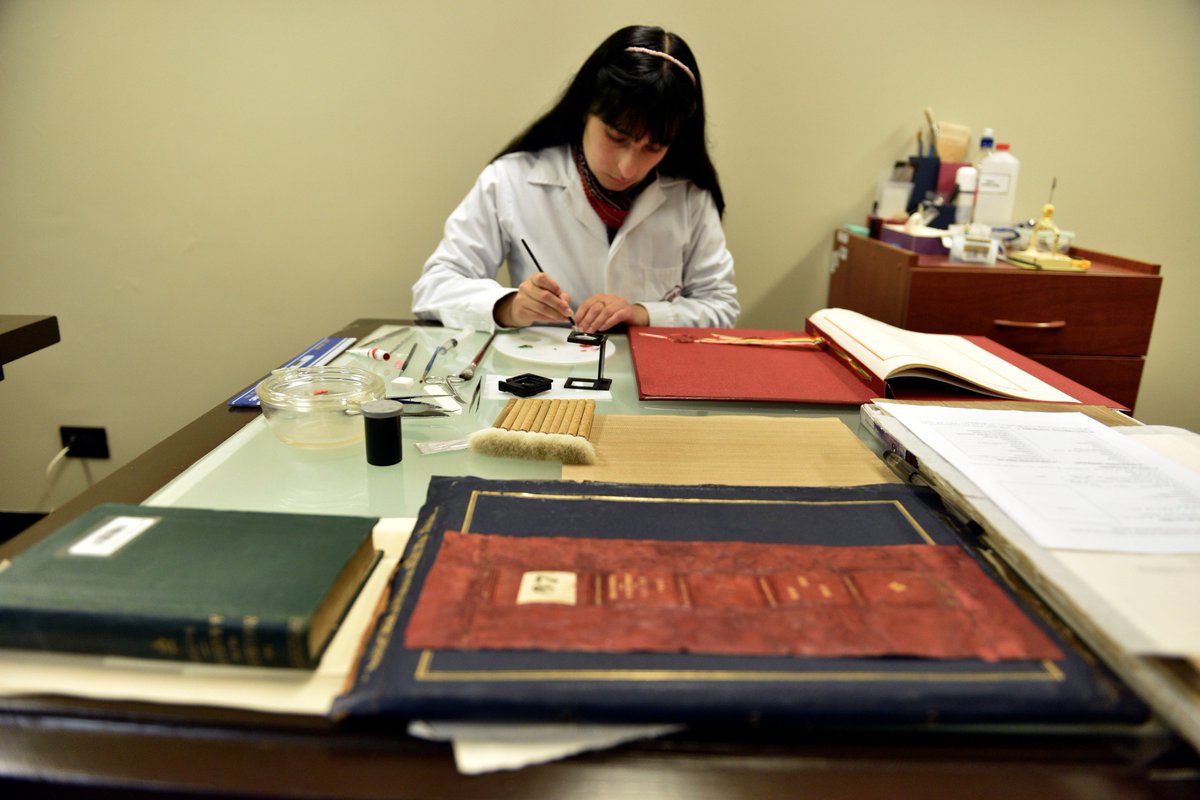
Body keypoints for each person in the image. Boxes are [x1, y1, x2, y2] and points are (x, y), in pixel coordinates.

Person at [412, 25, 738, 333]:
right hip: (542, 367)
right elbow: (434, 289)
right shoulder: (510, 180)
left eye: (653, 147)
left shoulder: (690, 197)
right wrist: (510, 306)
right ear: (585, 109)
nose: (627, 168)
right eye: (616, 137)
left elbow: (721, 308)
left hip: (651, 369)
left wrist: (642, 313)